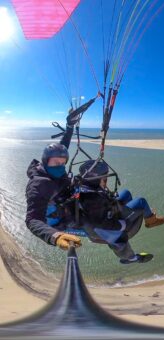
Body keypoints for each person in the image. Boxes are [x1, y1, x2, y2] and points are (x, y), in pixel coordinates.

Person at [25, 96, 99, 251]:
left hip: (68, 197)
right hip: (59, 218)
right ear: (46, 162)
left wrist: (70, 126)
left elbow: (62, 147)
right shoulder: (39, 185)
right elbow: (32, 219)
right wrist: (55, 236)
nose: (60, 166)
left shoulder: (52, 167)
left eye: (63, 163)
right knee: (95, 224)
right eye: (56, 163)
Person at [75, 159, 164, 264]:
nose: (106, 180)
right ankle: (151, 221)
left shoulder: (85, 185)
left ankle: (131, 212)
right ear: (96, 179)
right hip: (112, 222)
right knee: (141, 201)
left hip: (107, 210)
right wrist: (122, 225)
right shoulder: (94, 200)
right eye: (104, 178)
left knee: (126, 193)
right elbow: (103, 224)